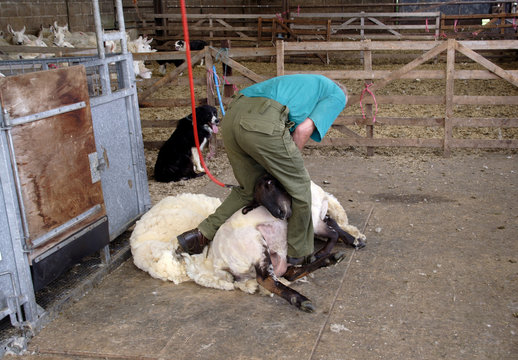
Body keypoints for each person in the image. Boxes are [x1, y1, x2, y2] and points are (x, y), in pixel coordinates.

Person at [177, 74, 348, 264]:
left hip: (233, 117)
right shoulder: (338, 95)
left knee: (249, 189)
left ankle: (199, 235)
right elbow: (302, 131)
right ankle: (297, 255)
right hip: (263, 121)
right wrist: (291, 168)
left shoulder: (306, 85)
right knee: (299, 187)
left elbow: (287, 130)